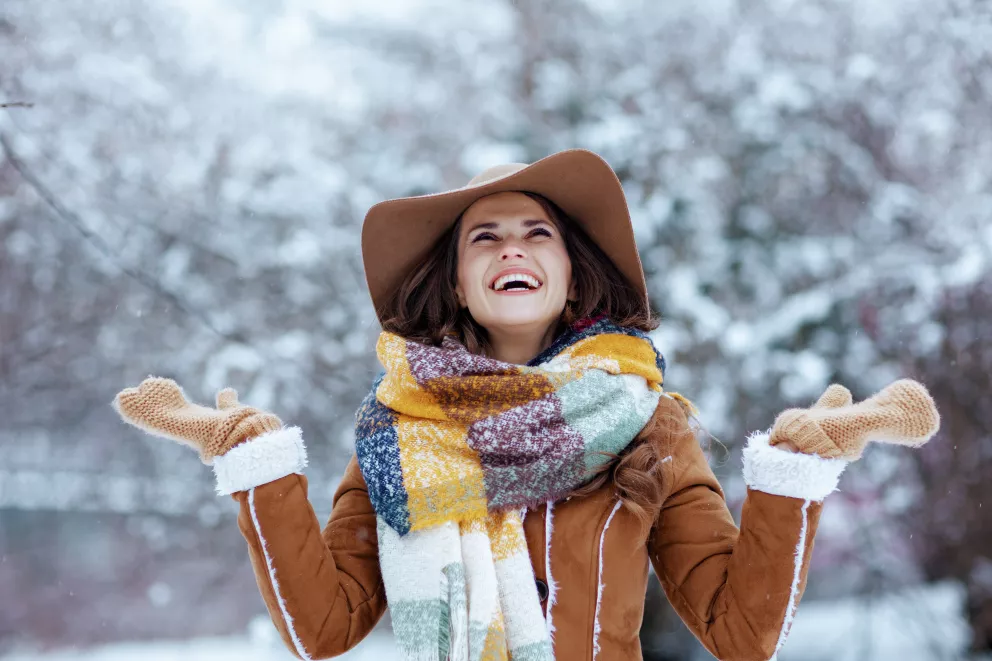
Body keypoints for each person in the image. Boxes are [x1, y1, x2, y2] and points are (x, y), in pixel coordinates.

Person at [113, 149, 940, 661]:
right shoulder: (399, 434)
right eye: (485, 237)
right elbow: (322, 627)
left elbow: (739, 630)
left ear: (571, 276)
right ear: (458, 283)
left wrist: (794, 469)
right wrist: (253, 459)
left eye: (537, 233)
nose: (512, 246)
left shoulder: (648, 424)